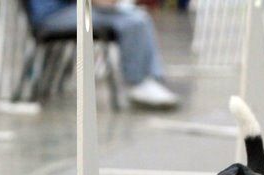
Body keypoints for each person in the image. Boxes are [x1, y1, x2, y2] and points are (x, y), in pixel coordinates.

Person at [28, 0, 179, 107]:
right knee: (134, 22)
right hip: (53, 16)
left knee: (138, 17)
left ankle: (150, 79)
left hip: (66, 10)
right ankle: (138, 81)